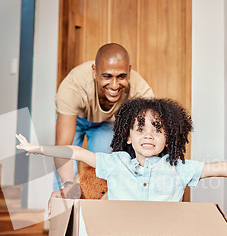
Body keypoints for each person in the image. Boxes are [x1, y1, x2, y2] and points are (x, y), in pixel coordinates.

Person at [17, 97, 227, 202]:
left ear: (168, 139)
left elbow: (220, 167)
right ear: (127, 137)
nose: (148, 135)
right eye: (140, 128)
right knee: (83, 195)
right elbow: (74, 151)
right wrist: (38, 148)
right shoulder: (115, 163)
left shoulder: (179, 168)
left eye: (157, 129)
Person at [53, 43, 154, 199]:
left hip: (107, 123)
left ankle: (88, 221)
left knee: (96, 173)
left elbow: (148, 135)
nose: (114, 85)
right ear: (95, 72)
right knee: (65, 179)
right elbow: (63, 149)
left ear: (129, 71)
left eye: (121, 76)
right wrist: (68, 185)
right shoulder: (73, 86)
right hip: (76, 119)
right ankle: (61, 218)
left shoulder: (140, 91)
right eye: (107, 76)